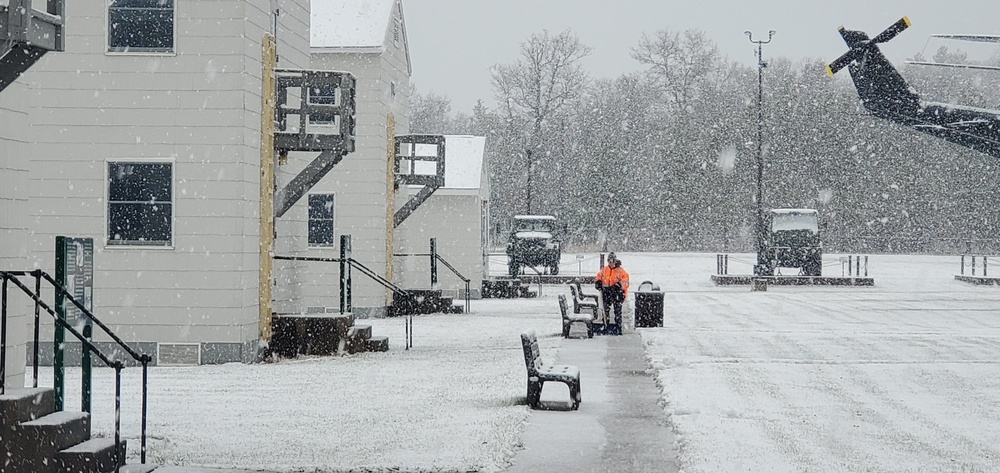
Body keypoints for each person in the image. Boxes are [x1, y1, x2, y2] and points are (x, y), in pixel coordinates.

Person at [595, 252, 629, 335]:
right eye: (609, 261)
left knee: (617, 311)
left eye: (612, 261)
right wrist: (598, 282)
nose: (611, 263)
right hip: (606, 293)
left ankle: (618, 327)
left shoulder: (621, 271)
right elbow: (598, 277)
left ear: (615, 261)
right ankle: (605, 325)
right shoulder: (604, 270)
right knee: (605, 310)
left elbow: (626, 281)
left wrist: (619, 285)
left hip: (617, 293)